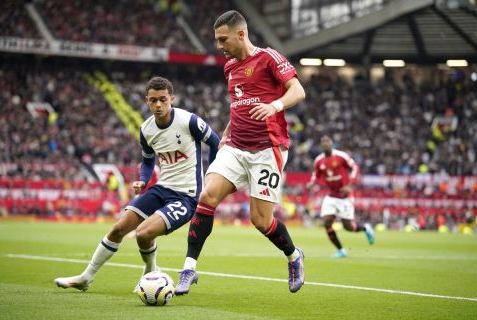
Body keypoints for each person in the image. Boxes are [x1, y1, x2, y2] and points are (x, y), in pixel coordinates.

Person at [175, 10, 306, 295]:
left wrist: (274, 106)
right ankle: (188, 269)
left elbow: (298, 91)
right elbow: (240, 103)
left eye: (223, 39)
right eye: (217, 40)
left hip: (267, 149)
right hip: (235, 146)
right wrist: (226, 132)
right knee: (207, 196)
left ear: (241, 34)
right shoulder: (229, 68)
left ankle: (294, 256)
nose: (220, 45)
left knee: (260, 221)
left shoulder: (269, 58)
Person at [54, 76, 219, 291]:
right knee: (118, 228)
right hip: (161, 188)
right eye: (153, 100)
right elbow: (148, 160)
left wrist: (212, 176)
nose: (158, 105)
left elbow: (215, 143)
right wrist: (143, 179)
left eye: (163, 99)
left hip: (186, 196)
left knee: (143, 233)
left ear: (172, 99)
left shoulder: (189, 121)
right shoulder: (147, 129)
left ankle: (151, 271)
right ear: (146, 101)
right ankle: (86, 277)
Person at [307, 135, 374, 258]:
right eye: (323, 142)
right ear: (321, 145)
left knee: (348, 227)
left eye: (328, 141)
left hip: (345, 196)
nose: (326, 144)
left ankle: (366, 228)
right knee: (326, 222)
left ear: (332, 143)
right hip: (331, 196)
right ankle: (341, 250)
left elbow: (355, 167)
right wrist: (312, 182)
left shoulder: (341, 156)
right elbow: (315, 175)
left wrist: (350, 185)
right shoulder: (319, 160)